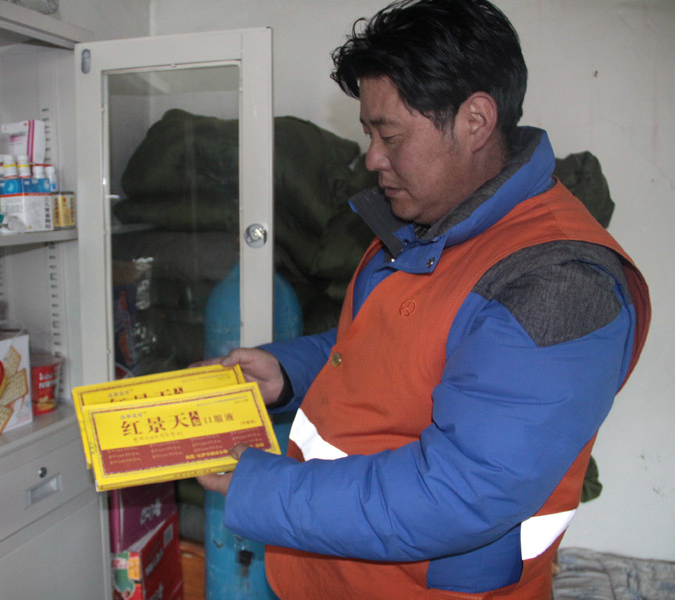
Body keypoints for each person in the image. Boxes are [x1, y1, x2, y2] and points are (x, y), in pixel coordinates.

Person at [196, 0, 651, 598]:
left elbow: (460, 491)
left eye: (389, 135)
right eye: (369, 134)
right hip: (333, 572)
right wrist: (289, 371)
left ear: (475, 120)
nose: (372, 158)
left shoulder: (560, 283)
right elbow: (395, 344)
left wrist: (262, 489)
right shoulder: (426, 221)